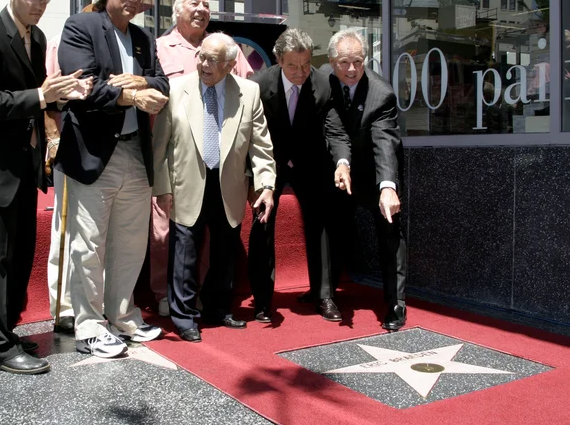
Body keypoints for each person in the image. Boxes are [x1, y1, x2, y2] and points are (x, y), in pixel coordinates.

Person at [0, 0, 89, 374]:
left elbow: (39, 98)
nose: (38, 7)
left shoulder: (37, 38)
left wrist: (64, 94)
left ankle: (0, 332)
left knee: (19, 260)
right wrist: (41, 95)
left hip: (25, 167)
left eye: (44, 0)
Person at [56, 0, 169, 357]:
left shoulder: (142, 37)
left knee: (131, 244)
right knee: (89, 244)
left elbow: (162, 82)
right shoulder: (81, 26)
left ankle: (123, 316)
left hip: (136, 151)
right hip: (93, 152)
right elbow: (82, 85)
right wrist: (131, 96)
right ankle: (88, 327)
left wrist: (136, 83)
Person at [152, 32, 276, 343]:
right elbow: (160, 146)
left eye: (213, 60)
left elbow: (260, 145)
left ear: (232, 65)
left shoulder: (249, 92)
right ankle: (183, 317)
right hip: (186, 182)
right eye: (201, 57)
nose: (204, 64)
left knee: (224, 251)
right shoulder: (177, 89)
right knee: (184, 254)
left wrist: (265, 185)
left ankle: (219, 309)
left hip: (229, 183)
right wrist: (161, 187)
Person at [151, 0, 253, 317]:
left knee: (215, 236)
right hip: (176, 156)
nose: (202, 9)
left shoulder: (226, 47)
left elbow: (249, 94)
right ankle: (165, 294)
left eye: (207, 5)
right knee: (169, 234)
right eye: (194, 3)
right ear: (177, 11)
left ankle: (205, 298)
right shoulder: (160, 49)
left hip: (220, 161)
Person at [247, 29, 351, 324]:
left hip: (312, 163)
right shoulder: (258, 86)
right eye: (292, 65)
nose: (301, 72)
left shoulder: (323, 84)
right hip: (270, 162)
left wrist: (342, 162)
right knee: (262, 222)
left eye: (306, 64)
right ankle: (263, 300)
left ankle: (324, 294)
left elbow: (335, 129)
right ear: (279, 60)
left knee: (322, 223)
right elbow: (251, 135)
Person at [326, 29, 407, 331]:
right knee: (332, 228)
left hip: (376, 170)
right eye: (344, 62)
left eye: (358, 62)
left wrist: (388, 187)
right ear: (332, 61)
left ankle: (396, 302)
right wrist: (341, 163)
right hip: (339, 169)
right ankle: (326, 293)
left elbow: (384, 142)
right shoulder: (325, 81)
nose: (351, 69)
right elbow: (334, 130)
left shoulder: (381, 93)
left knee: (390, 233)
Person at [44, 0, 105, 334]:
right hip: (72, 143)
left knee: (97, 234)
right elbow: (49, 95)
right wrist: (54, 138)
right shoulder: (65, 36)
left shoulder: (120, 40)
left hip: (108, 149)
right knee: (64, 230)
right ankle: (63, 306)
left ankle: (94, 305)